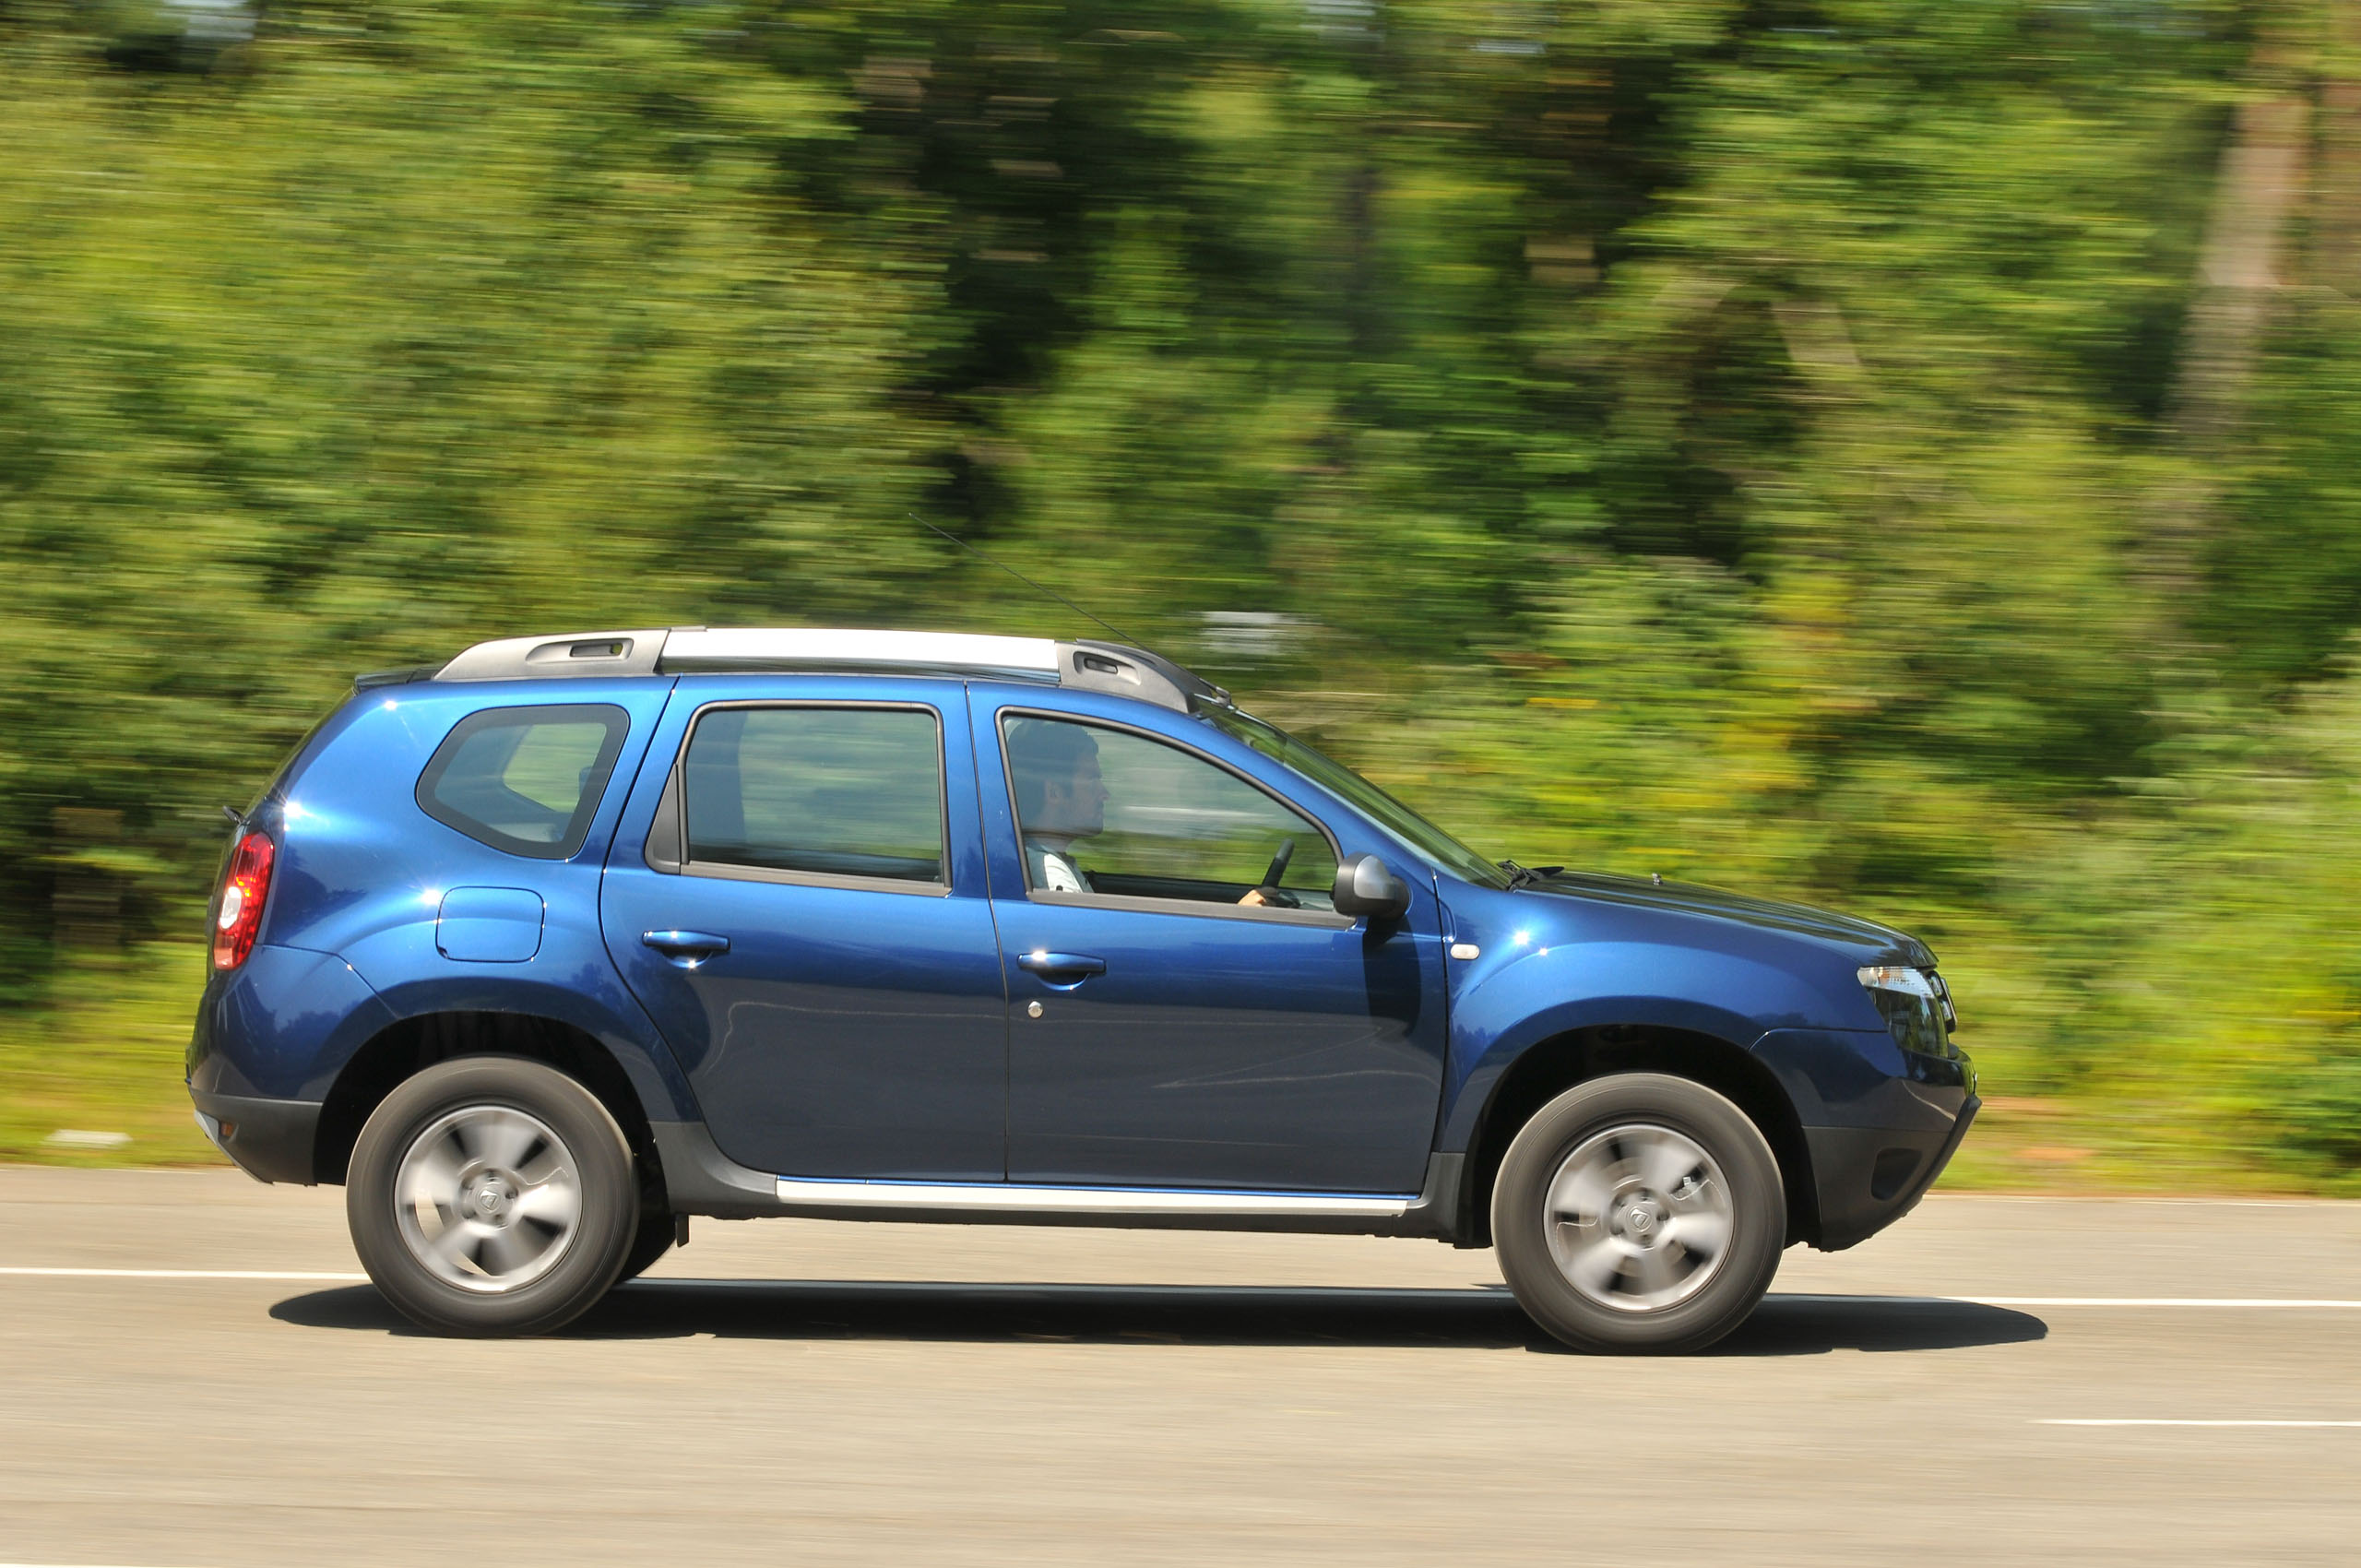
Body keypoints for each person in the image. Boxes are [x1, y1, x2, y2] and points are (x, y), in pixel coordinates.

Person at [1005, 718, 1269, 906]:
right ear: (1054, 793)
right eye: (1091, 780)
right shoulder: (1050, 876)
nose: (1105, 793)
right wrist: (1238, 918)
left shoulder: (1052, 865)